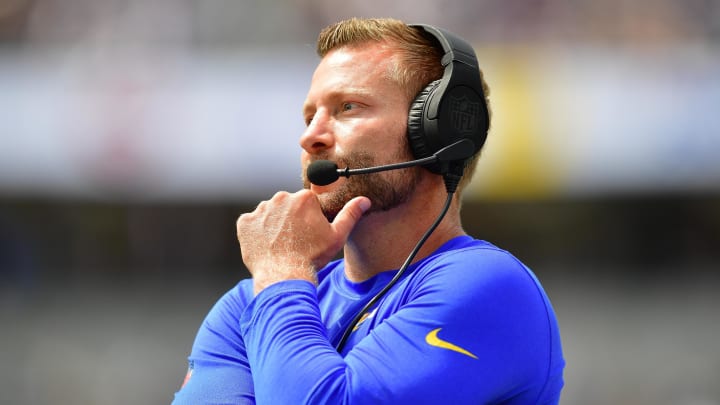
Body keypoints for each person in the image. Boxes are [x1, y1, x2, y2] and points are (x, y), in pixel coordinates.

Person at [173, 17, 565, 404]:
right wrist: (280, 278)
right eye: (310, 116)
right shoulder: (248, 302)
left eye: (347, 107)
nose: (310, 136)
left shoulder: (490, 285)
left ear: (436, 133)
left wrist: (282, 271)